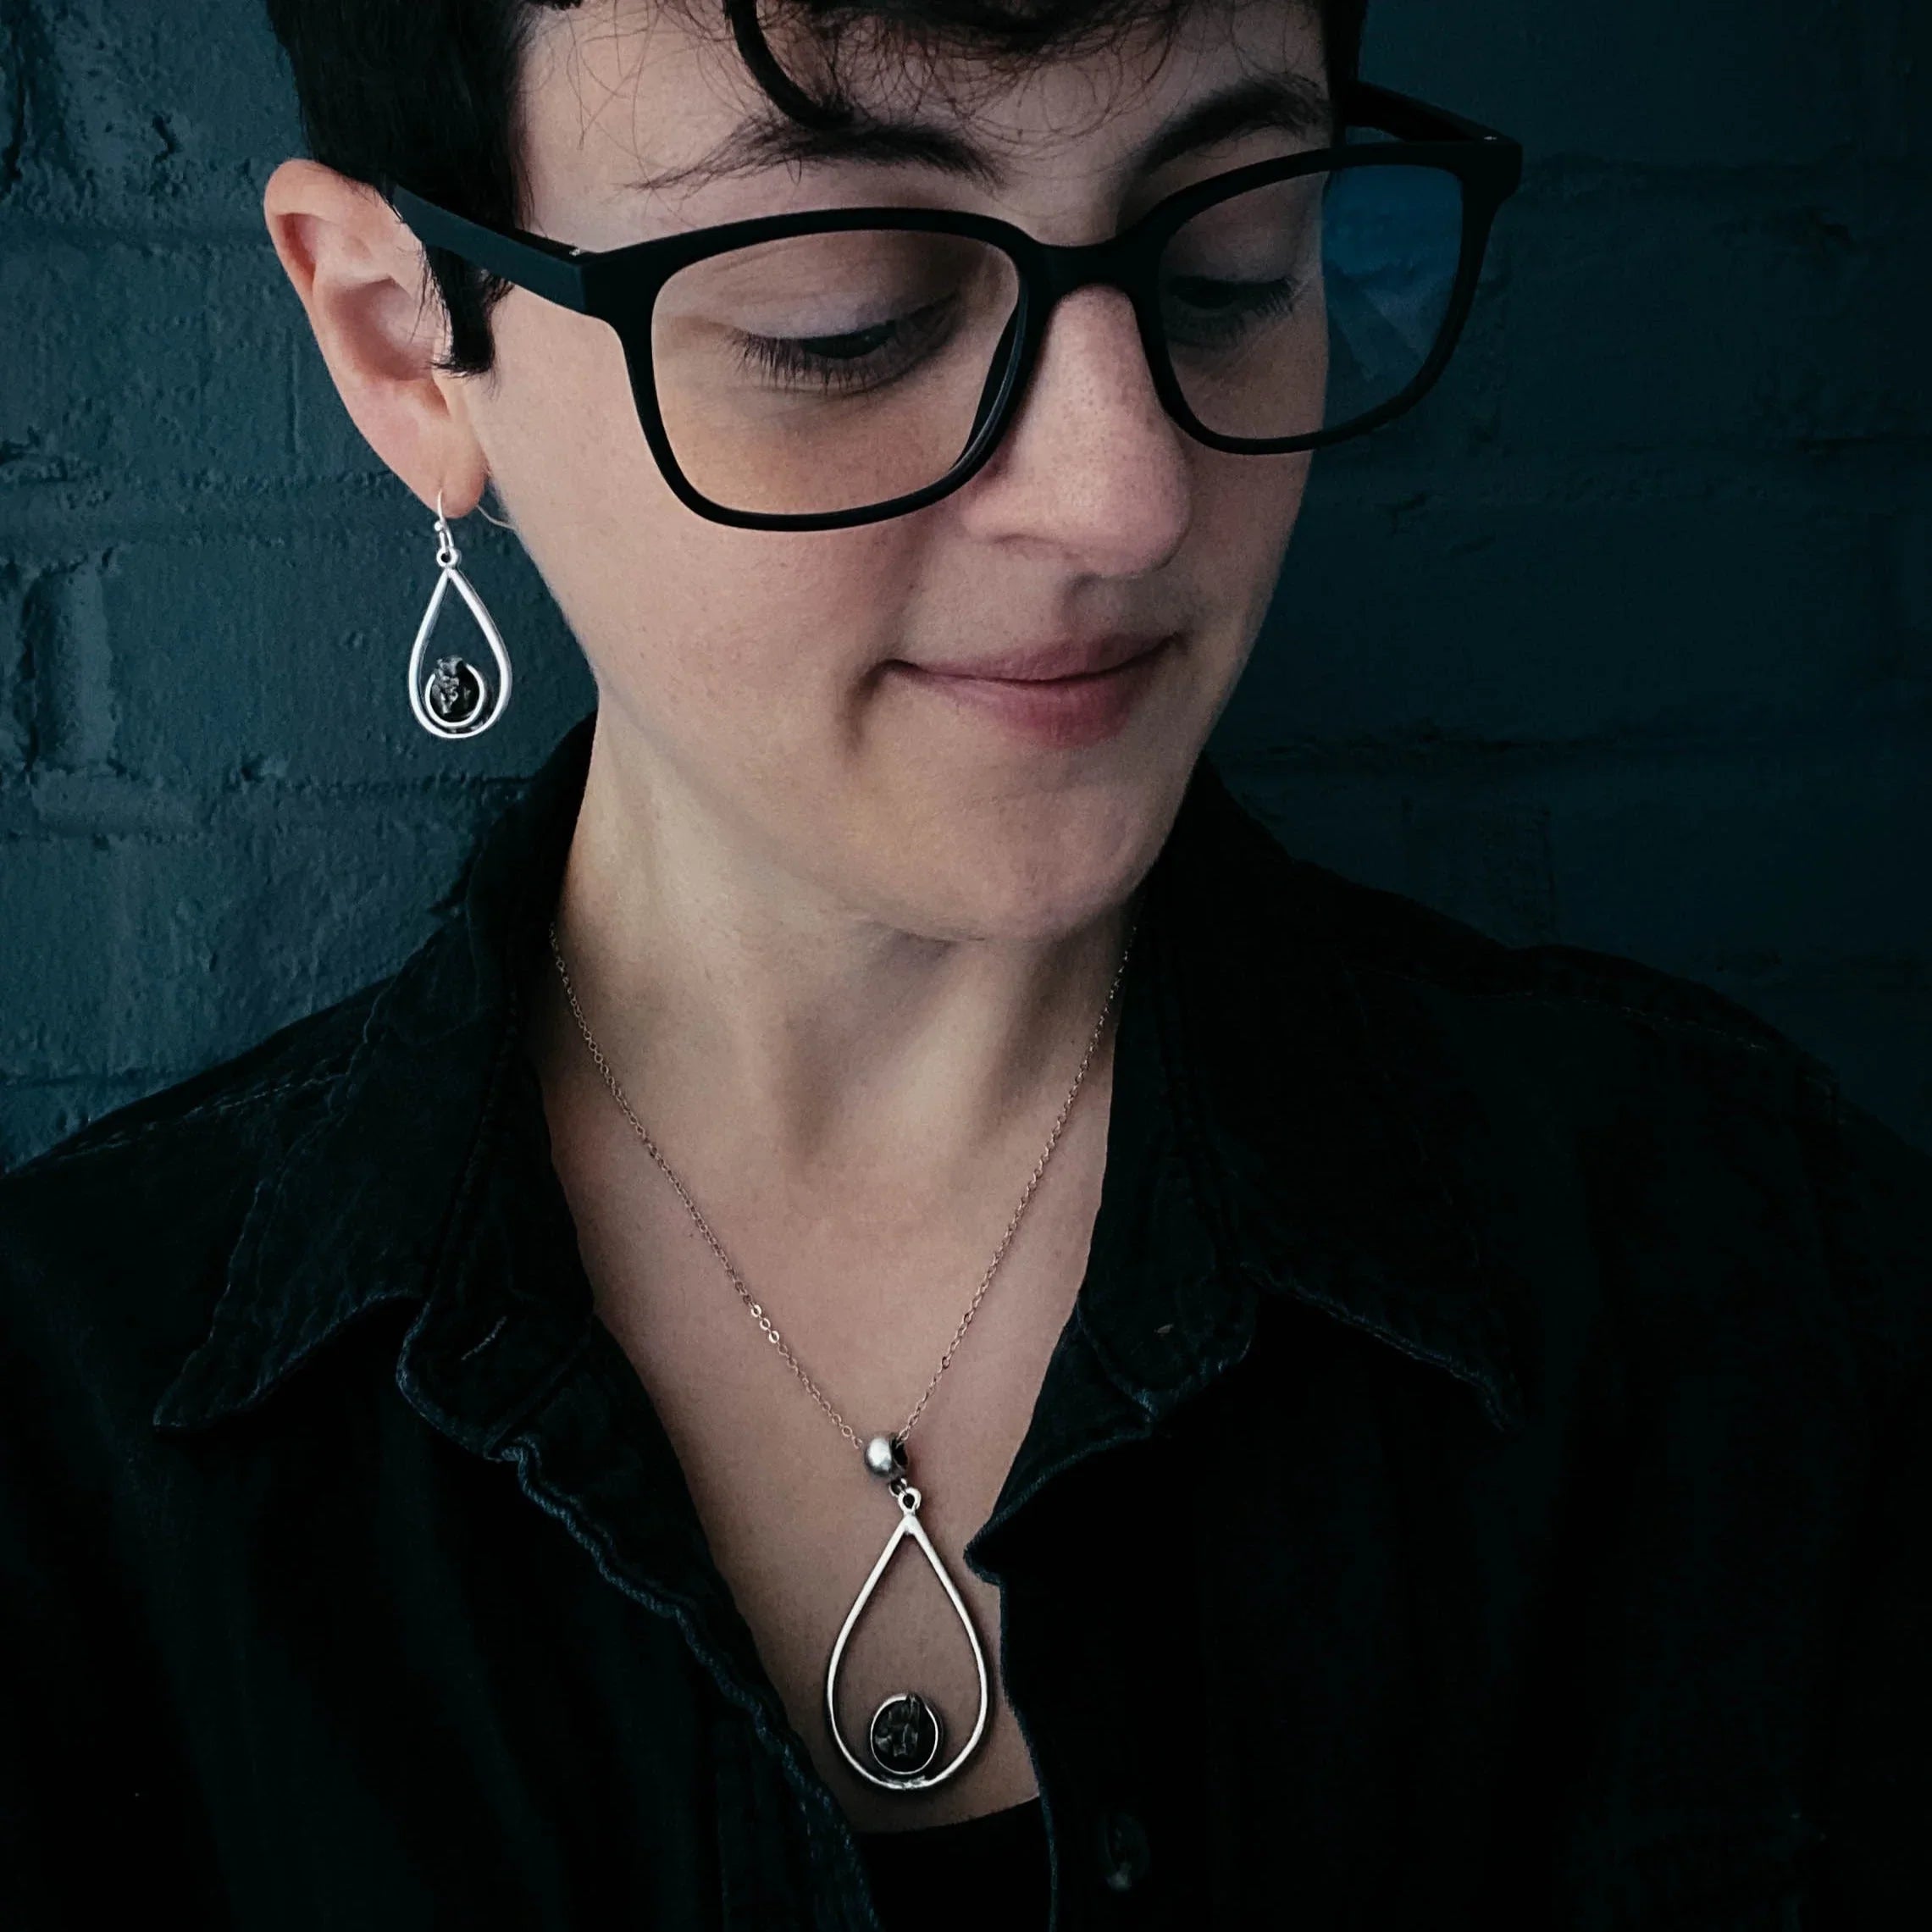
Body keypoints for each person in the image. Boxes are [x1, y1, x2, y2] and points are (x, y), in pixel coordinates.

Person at [1, 1, 1925, 1926]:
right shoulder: (69, 1447)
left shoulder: (1756, 1286)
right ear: (409, 339)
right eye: (843, 319)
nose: (1129, 496)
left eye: (1234, 258)